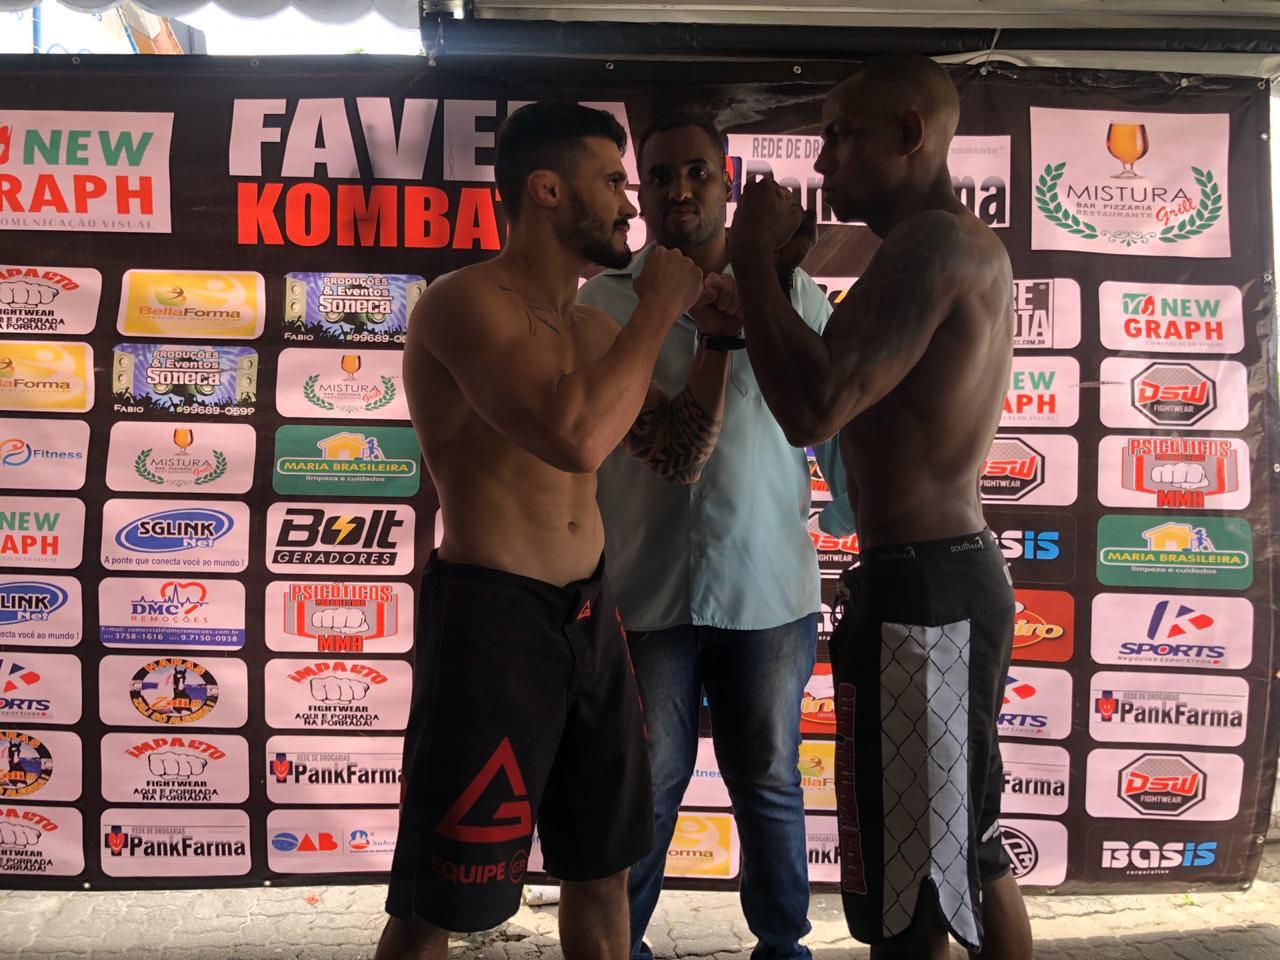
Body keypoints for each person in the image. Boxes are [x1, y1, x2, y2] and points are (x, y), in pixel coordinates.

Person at [376, 101, 742, 960]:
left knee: (604, 869)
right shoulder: (464, 304)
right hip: (492, 620)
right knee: (443, 899)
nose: (631, 203)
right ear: (546, 190)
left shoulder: (591, 325)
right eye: (613, 181)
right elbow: (571, 435)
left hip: (590, 612)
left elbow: (678, 453)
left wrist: (720, 344)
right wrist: (659, 308)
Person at [728, 55, 1033, 960]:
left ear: (909, 134)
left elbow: (813, 407)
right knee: (964, 853)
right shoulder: (939, 247)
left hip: (925, 597)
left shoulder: (933, 245)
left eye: (840, 135)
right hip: (931, 584)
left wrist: (748, 260)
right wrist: (773, 278)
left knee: (915, 892)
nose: (823, 161)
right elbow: (833, 389)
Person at [579, 111, 850, 960]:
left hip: (766, 589)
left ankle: (783, 946)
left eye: (697, 171)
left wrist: (857, 522)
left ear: (726, 181)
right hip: (644, 591)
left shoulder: (792, 296)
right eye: (659, 175)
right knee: (648, 786)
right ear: (642, 188)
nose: (679, 190)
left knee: (769, 779)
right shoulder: (604, 303)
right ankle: (622, 947)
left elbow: (836, 425)